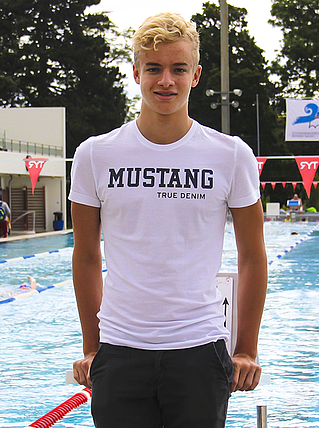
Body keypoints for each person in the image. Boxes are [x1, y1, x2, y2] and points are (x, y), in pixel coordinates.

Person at [69, 12, 267, 428]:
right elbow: (86, 255)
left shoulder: (230, 155)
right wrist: (93, 346)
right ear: (136, 72)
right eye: (154, 69)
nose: (166, 81)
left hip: (200, 349)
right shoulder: (94, 155)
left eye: (178, 69)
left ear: (195, 75)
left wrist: (246, 348)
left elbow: (253, 256)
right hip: (120, 350)